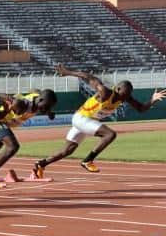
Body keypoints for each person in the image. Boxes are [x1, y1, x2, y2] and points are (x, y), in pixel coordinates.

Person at [34, 65, 166, 176]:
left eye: (127, 96)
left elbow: (141, 108)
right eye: (123, 94)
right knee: (110, 134)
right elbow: (88, 77)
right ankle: (88, 160)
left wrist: (152, 99)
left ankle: (41, 165)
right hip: (81, 118)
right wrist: (68, 72)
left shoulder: (124, 98)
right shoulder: (105, 92)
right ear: (117, 89)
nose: (123, 98)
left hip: (87, 122)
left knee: (68, 150)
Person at [0, 88, 58, 188]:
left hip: (3, 123)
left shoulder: (40, 99)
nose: (46, 109)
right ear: (40, 100)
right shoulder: (22, 104)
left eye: (49, 107)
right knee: (13, 147)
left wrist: (49, 112)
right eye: (46, 106)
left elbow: (38, 93)